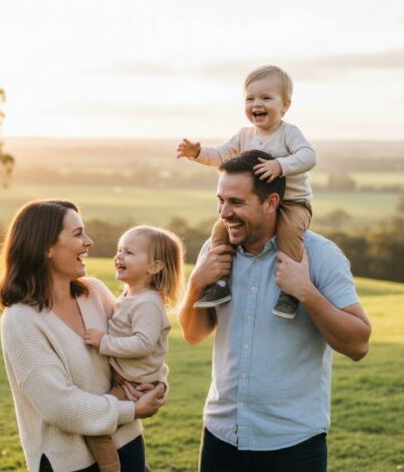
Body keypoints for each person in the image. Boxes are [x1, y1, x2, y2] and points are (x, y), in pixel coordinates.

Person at [177, 151, 371, 472]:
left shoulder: (320, 256)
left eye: (236, 202)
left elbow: (358, 344)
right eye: (220, 200)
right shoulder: (214, 252)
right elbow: (193, 334)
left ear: (271, 203)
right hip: (221, 436)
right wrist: (196, 284)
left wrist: (305, 291)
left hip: (292, 443)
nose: (225, 212)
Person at [0, 200, 166, 472]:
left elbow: (143, 346)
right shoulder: (20, 320)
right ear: (46, 248)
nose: (88, 242)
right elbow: (59, 405)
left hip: (128, 442)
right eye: (77, 234)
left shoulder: (95, 293)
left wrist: (155, 385)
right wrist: (131, 410)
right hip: (71, 461)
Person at [177, 64, 317, 319]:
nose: (256, 104)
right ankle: (219, 284)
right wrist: (197, 154)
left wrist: (280, 165)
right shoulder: (244, 136)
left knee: (288, 233)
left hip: (292, 203)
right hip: (255, 206)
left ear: (285, 105)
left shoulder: (289, 134)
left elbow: (309, 156)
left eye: (266, 98)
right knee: (220, 230)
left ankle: (290, 292)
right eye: (250, 98)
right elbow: (221, 156)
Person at [83, 225, 185, 472]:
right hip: (128, 378)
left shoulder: (147, 303)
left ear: (154, 267)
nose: (119, 257)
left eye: (129, 252)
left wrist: (103, 342)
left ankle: (110, 468)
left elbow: (143, 344)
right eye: (119, 250)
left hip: (132, 384)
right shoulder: (129, 296)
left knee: (95, 424)